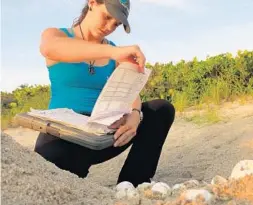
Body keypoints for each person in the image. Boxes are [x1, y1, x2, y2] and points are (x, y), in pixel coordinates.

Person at [34, 0, 175, 187]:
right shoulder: (57, 35)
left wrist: (135, 115)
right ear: (92, 3)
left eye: (116, 23)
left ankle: (132, 185)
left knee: (161, 109)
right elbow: (49, 48)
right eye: (107, 17)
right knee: (56, 180)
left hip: (102, 136)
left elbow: (131, 92)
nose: (110, 27)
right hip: (64, 136)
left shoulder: (114, 53)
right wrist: (112, 52)